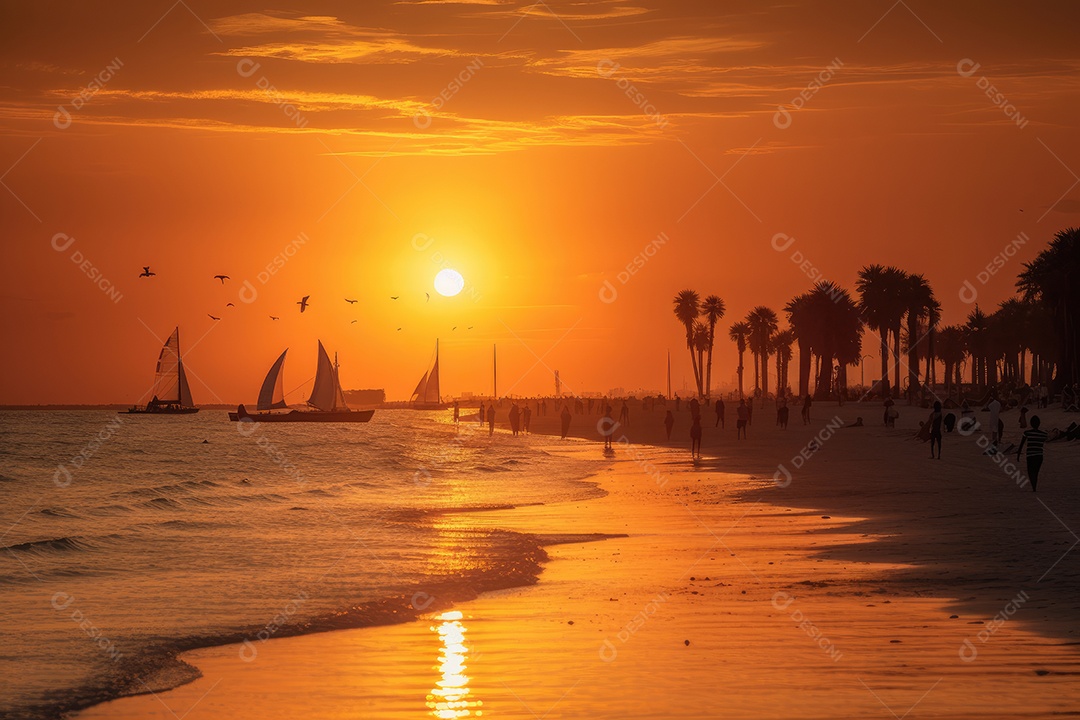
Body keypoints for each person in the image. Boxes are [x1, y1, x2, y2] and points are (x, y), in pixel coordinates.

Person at [1017, 415, 1049, 492]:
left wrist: (1018, 454)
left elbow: (1021, 444)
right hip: (1039, 456)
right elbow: (1045, 439)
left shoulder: (1027, 433)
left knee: (1031, 472)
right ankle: (1034, 486)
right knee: (1036, 472)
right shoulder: (1044, 434)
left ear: (1031, 423)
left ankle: (1034, 487)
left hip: (1030, 455)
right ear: (1039, 424)